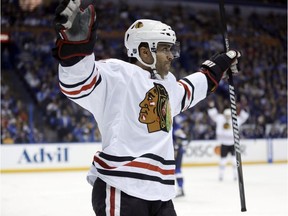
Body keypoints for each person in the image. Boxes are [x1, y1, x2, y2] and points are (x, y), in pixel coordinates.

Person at [52, 0, 241, 215]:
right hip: (122, 186)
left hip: (160, 193)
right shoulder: (117, 74)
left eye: (172, 49)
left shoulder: (167, 84)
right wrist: (76, 49)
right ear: (144, 52)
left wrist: (218, 68)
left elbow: (189, 90)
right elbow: (77, 83)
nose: (171, 55)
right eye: (164, 49)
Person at [207, 101, 249, 181]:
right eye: (226, 115)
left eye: (229, 116)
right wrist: (212, 107)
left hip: (233, 144)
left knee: (234, 161)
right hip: (224, 143)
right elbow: (213, 115)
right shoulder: (220, 118)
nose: (227, 117)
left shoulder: (235, 120)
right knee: (223, 161)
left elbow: (244, 117)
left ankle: (235, 176)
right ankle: (221, 175)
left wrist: (245, 108)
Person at [172, 116, 188, 198]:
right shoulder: (176, 128)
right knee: (177, 170)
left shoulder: (175, 129)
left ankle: (180, 188)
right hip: (177, 151)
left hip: (176, 151)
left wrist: (176, 149)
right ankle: (180, 188)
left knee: (177, 170)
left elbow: (183, 139)